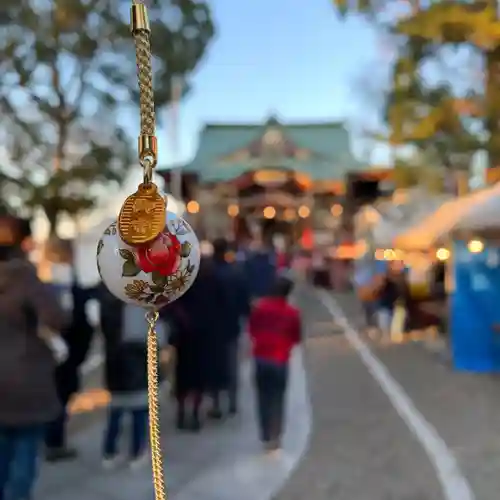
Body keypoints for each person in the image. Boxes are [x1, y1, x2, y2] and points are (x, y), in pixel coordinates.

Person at [0, 215, 67, 500]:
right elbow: (56, 318)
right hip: (25, 382)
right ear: (24, 243)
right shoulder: (24, 276)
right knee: (24, 459)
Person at [98, 284, 167, 468]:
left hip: (115, 364)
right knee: (139, 410)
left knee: (116, 410)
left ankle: (109, 452)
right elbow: (154, 336)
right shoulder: (138, 304)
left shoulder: (108, 301)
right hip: (136, 364)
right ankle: (136, 452)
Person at [165, 257, 228, 432]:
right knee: (199, 377)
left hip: (185, 336)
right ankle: (193, 413)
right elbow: (222, 307)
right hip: (205, 336)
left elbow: (170, 305)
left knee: (183, 376)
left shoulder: (183, 283)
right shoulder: (214, 283)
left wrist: (181, 321)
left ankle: (182, 412)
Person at [45, 275, 97, 462]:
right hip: (65, 362)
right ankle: (54, 443)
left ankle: (52, 441)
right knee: (58, 403)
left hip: (52, 360)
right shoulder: (73, 301)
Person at [248, 275, 301, 454]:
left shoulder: (260, 308)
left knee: (262, 398)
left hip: (261, 357)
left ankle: (264, 434)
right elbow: (296, 336)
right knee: (278, 399)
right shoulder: (292, 312)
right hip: (280, 358)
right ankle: (275, 437)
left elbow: (252, 329)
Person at [209, 238, 250, 418]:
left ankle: (216, 401)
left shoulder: (207, 273)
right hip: (231, 325)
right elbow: (244, 300)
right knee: (231, 364)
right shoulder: (235, 273)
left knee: (213, 364)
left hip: (210, 326)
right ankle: (232, 401)